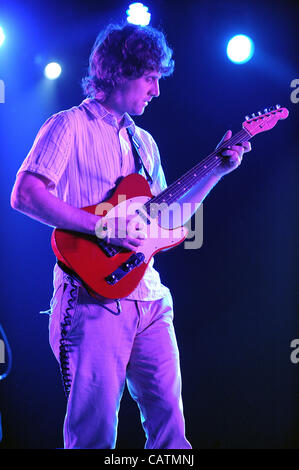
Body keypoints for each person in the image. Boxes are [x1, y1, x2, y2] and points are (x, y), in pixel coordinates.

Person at [10, 23, 251, 449]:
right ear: (120, 71)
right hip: (92, 297)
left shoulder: (145, 143)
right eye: (150, 78)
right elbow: (25, 194)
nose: (156, 90)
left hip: (151, 299)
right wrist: (101, 226)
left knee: (172, 433)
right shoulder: (68, 125)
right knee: (95, 435)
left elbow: (169, 219)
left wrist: (218, 171)